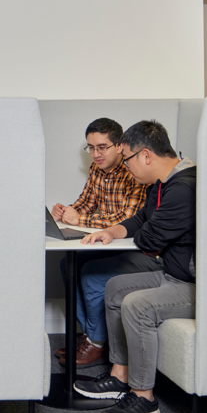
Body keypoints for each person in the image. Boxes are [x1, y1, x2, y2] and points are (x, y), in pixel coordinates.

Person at [72, 120, 197, 413]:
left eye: (126, 159)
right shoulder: (161, 183)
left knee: (136, 304)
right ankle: (120, 376)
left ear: (145, 155)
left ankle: (144, 398)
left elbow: (149, 239)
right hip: (172, 274)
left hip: (195, 286)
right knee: (115, 287)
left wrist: (143, 233)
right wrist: (111, 232)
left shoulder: (184, 188)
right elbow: (141, 220)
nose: (126, 167)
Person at [53, 118, 147, 367]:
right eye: (91, 148)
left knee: (90, 273)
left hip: (128, 245)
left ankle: (96, 343)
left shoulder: (134, 170)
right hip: (107, 242)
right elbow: (84, 204)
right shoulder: (97, 170)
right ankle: (93, 338)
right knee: (67, 265)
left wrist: (80, 217)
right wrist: (66, 211)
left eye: (102, 147)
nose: (95, 154)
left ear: (119, 146)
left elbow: (128, 219)